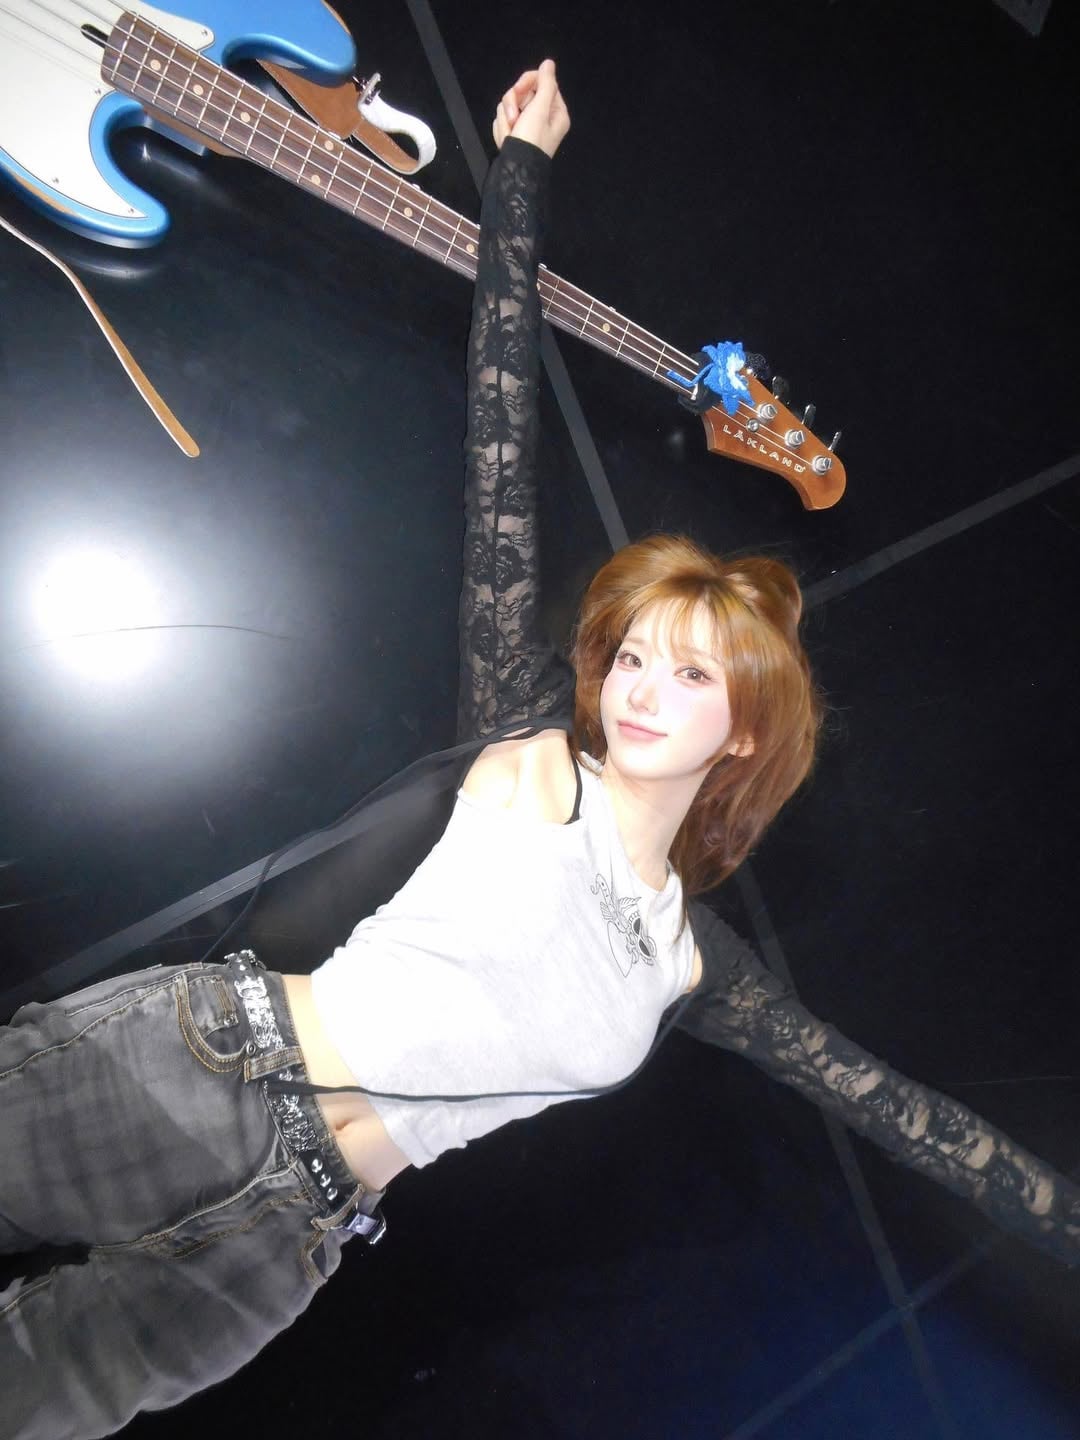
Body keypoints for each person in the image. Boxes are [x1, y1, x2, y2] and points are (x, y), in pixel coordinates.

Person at [1, 60, 1076, 1440]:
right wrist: (520, 174)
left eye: (689, 673)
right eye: (632, 654)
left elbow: (916, 1122)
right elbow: (501, 420)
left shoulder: (693, 965)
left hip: (291, 1238)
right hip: (206, 1068)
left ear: (745, 729)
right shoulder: (528, 748)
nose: (639, 686)